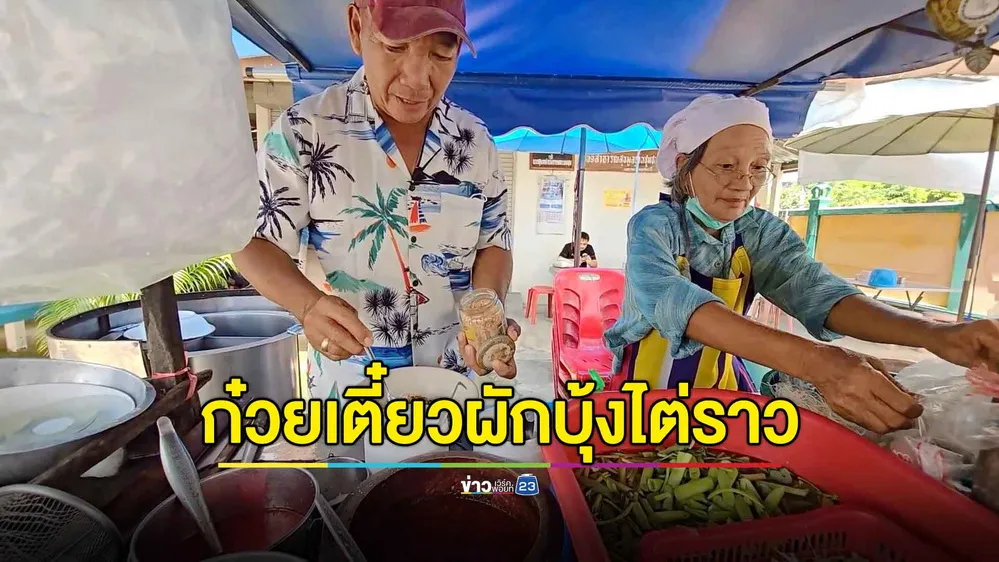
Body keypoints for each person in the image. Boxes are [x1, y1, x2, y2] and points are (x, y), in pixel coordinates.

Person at [604, 93, 999, 435]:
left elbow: (818, 292)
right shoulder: (654, 226)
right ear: (686, 166)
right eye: (727, 166)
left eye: (758, 167)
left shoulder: (759, 232)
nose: (744, 181)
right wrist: (819, 364)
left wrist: (932, 334)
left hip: (719, 393)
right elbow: (676, 303)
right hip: (643, 394)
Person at [234, 0, 519, 402]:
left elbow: (493, 243)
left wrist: (488, 316)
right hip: (351, 394)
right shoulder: (305, 132)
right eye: (396, 46)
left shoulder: (476, 142)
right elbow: (253, 241)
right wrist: (307, 305)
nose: (419, 79)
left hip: (454, 390)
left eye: (441, 52)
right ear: (356, 27)